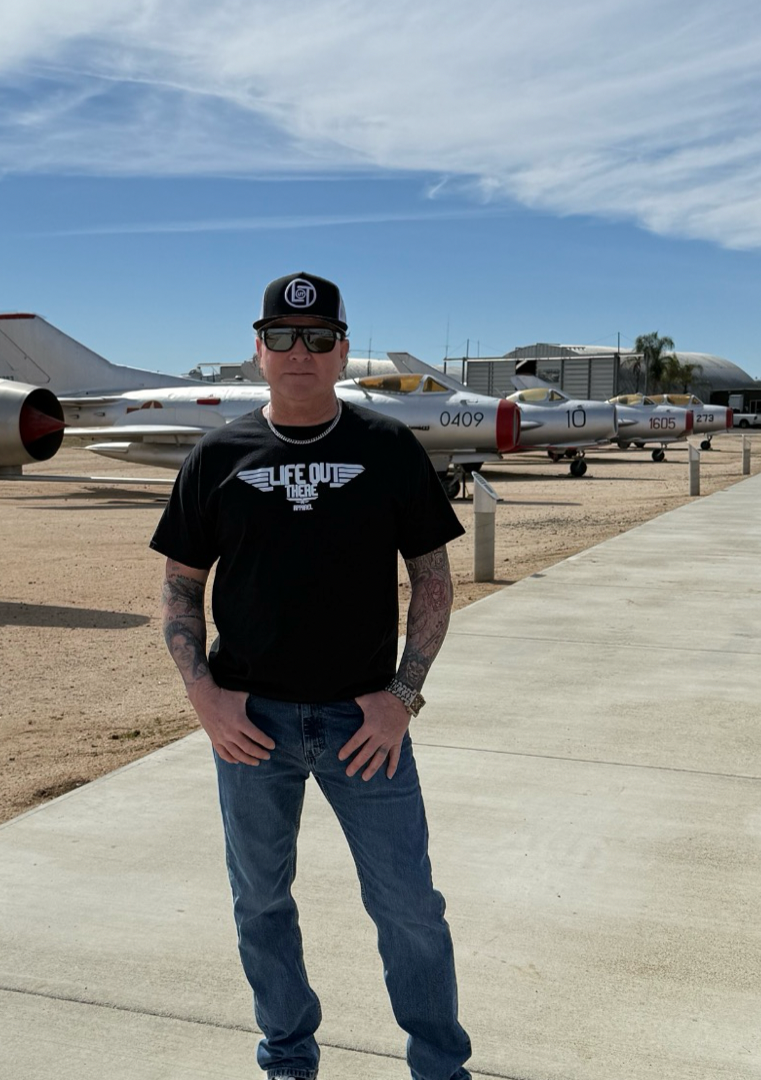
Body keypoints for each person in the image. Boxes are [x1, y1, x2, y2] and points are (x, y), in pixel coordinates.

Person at [150, 271, 473, 1080]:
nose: (301, 352)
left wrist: (402, 700)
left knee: (410, 908)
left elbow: (433, 581)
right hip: (249, 723)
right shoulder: (217, 455)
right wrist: (206, 701)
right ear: (258, 348)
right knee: (260, 903)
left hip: (364, 728)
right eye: (284, 337)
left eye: (319, 338)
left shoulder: (388, 449)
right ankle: (288, 1060)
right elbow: (180, 589)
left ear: (342, 350)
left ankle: (439, 1066)